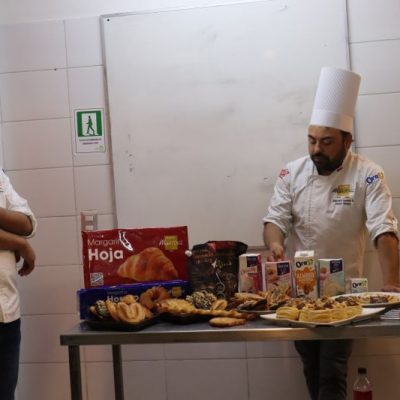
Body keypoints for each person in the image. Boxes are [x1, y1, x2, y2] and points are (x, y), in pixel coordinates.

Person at [262, 67, 400, 400]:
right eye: (311, 140)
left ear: (346, 141)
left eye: (326, 142)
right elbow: (275, 219)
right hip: (300, 294)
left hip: (344, 296)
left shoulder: (367, 174)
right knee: (311, 369)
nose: (316, 149)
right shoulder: (291, 172)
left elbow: (384, 228)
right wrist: (276, 243)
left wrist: (393, 281)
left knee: (333, 373)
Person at [0, 169, 37, 400]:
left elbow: (26, 223)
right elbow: (20, 234)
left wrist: (20, 237)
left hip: (7, 312)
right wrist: (18, 244)